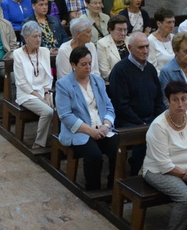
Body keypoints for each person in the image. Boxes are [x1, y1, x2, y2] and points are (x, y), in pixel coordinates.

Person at [142, 80, 187, 230]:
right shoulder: (159, 126)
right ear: (167, 101)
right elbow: (165, 165)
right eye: (175, 100)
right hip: (159, 171)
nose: (180, 104)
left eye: (184, 99)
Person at [54, 46, 118, 191]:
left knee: (117, 149)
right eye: (83, 64)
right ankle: (93, 190)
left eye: (89, 63)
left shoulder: (98, 81)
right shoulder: (63, 85)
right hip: (79, 131)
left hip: (101, 128)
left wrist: (106, 126)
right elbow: (65, 116)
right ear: (73, 65)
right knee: (95, 156)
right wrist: (90, 131)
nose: (88, 67)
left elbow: (109, 107)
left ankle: (113, 187)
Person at [13, 21, 54, 149]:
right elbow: (21, 83)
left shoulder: (44, 51)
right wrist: (40, 98)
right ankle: (39, 142)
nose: (38, 39)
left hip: (44, 91)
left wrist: (47, 94)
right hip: (27, 94)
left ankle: (58, 141)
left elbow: (48, 77)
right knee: (47, 111)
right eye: (35, 36)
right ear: (26, 38)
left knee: (62, 106)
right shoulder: (18, 54)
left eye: (40, 36)